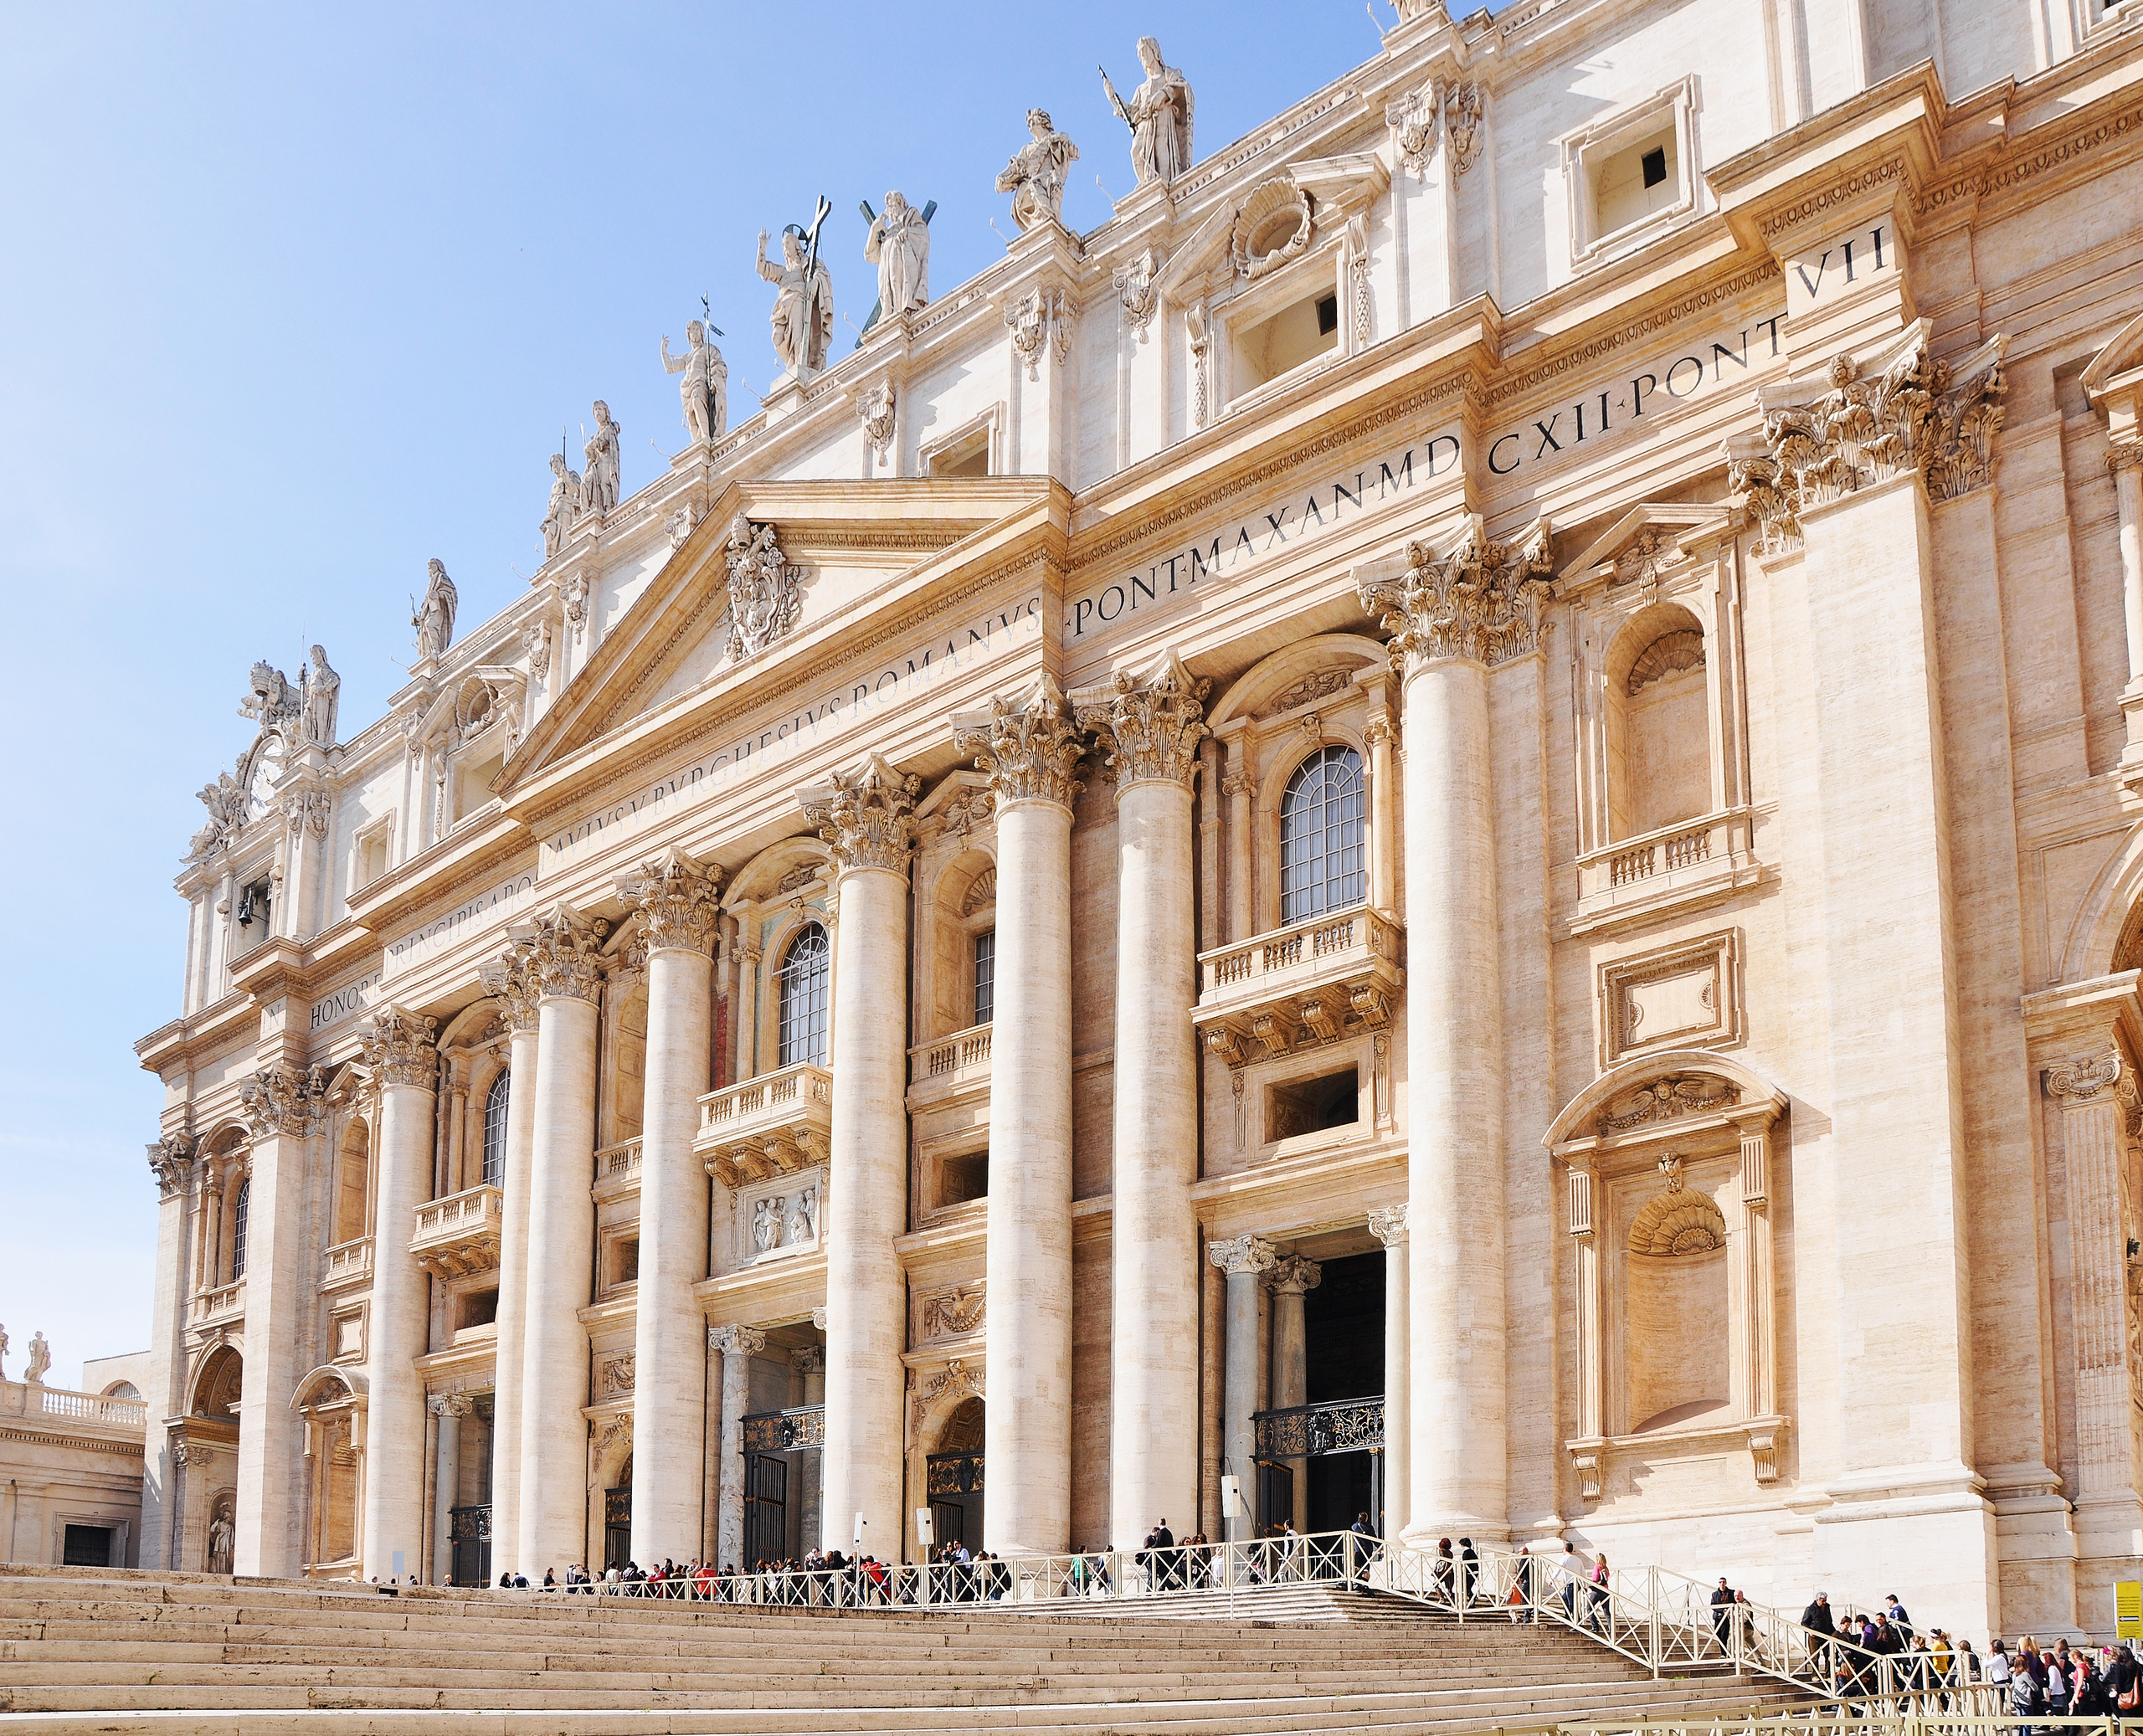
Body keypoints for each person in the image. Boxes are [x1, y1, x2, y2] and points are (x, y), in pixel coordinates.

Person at [1711, 1577, 1736, 1654]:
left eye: (1723, 1582)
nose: (1722, 1584)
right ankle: (1723, 1652)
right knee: (1718, 1635)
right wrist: (1722, 1610)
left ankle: (1725, 1653)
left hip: (1727, 1617)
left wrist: (1729, 1611)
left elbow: (1735, 1603)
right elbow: (1713, 1606)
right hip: (1718, 1617)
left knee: (1724, 1636)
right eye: (1720, 1582)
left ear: (1726, 1583)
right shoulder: (1714, 1594)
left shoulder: (1731, 1593)